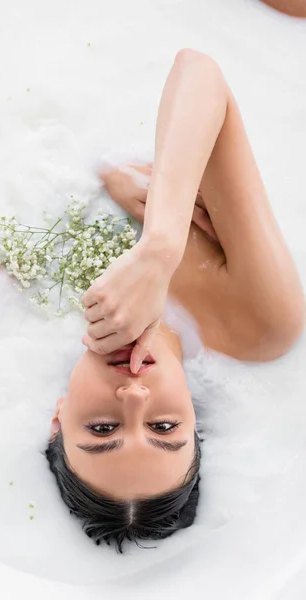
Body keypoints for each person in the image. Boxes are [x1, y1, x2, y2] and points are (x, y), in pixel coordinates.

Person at [46, 49, 304, 552]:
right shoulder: (260, 324)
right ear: (194, 416)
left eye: (102, 427)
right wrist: (160, 246)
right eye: (164, 426)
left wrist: (114, 180)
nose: (135, 396)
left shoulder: (26, 290)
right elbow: (199, 70)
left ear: (58, 418)